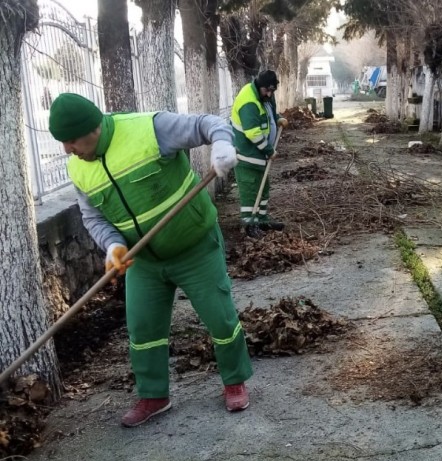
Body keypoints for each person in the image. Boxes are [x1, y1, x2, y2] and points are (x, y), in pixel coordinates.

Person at [48, 93, 254, 427]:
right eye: (62, 143)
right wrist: (114, 246)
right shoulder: (78, 169)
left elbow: (209, 123)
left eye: (71, 141)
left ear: (94, 129)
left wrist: (221, 145)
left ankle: (234, 381)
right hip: (143, 260)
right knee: (142, 328)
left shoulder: (149, 128)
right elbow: (94, 218)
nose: (67, 150)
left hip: (194, 246)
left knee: (220, 318)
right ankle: (154, 396)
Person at [231, 70, 289, 238]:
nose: (270, 94)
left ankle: (262, 221)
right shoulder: (248, 101)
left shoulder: (264, 95)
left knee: (263, 189)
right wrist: (269, 150)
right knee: (250, 192)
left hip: (259, 157)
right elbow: (253, 133)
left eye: (272, 91)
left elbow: (266, 114)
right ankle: (250, 226)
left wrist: (277, 118)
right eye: (267, 90)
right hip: (247, 156)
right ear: (259, 85)